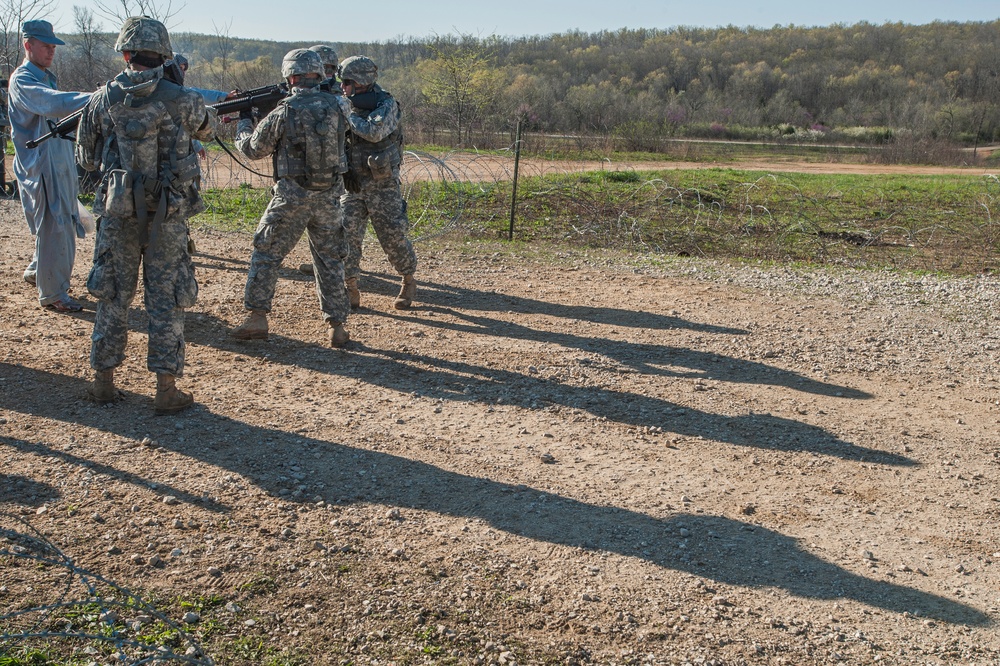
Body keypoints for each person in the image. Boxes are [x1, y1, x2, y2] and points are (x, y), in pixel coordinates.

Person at [75, 16, 219, 414]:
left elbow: (85, 157)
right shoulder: (184, 99)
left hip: (117, 215)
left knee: (112, 295)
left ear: (125, 53)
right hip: (168, 218)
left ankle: (103, 382)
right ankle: (166, 388)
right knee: (167, 299)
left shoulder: (102, 99)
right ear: (165, 55)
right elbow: (209, 132)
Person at [228, 48, 352, 348]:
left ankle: (257, 318)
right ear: (319, 75)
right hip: (329, 197)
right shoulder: (339, 106)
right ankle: (337, 326)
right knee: (330, 260)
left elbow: (253, 149)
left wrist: (245, 121)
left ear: (290, 76)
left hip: (292, 196)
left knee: (267, 253)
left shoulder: (285, 110)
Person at [8, 20, 91, 312]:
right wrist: (95, 100)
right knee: (55, 226)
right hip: (42, 167)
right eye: (46, 45)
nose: (51, 51)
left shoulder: (44, 77)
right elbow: (52, 104)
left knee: (58, 222)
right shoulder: (24, 80)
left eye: (53, 46)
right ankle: (53, 293)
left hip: (56, 164)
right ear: (28, 45)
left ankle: (37, 270)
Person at [336, 55, 417, 310]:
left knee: (392, 237)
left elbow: (374, 132)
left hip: (382, 185)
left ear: (361, 81)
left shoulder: (386, 104)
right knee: (347, 236)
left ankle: (408, 280)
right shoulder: (346, 104)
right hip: (353, 184)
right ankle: (350, 288)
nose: (342, 88)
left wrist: (346, 114)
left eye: (347, 82)